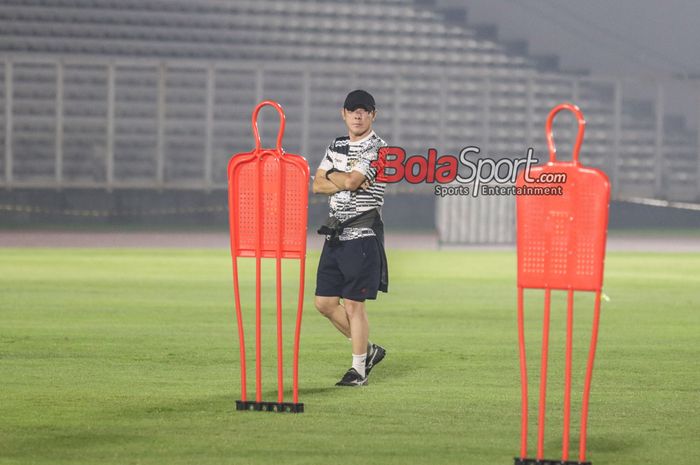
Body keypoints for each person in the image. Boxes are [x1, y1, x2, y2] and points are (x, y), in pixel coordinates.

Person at [312, 89, 389, 387]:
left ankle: (358, 371)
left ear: (373, 115)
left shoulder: (378, 148)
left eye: (364, 110)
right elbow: (316, 185)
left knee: (355, 305)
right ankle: (369, 350)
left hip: (363, 235)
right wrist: (339, 179)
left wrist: (333, 175)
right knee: (324, 302)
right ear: (343, 114)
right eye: (352, 110)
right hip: (335, 234)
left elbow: (354, 181)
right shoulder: (337, 144)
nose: (358, 115)